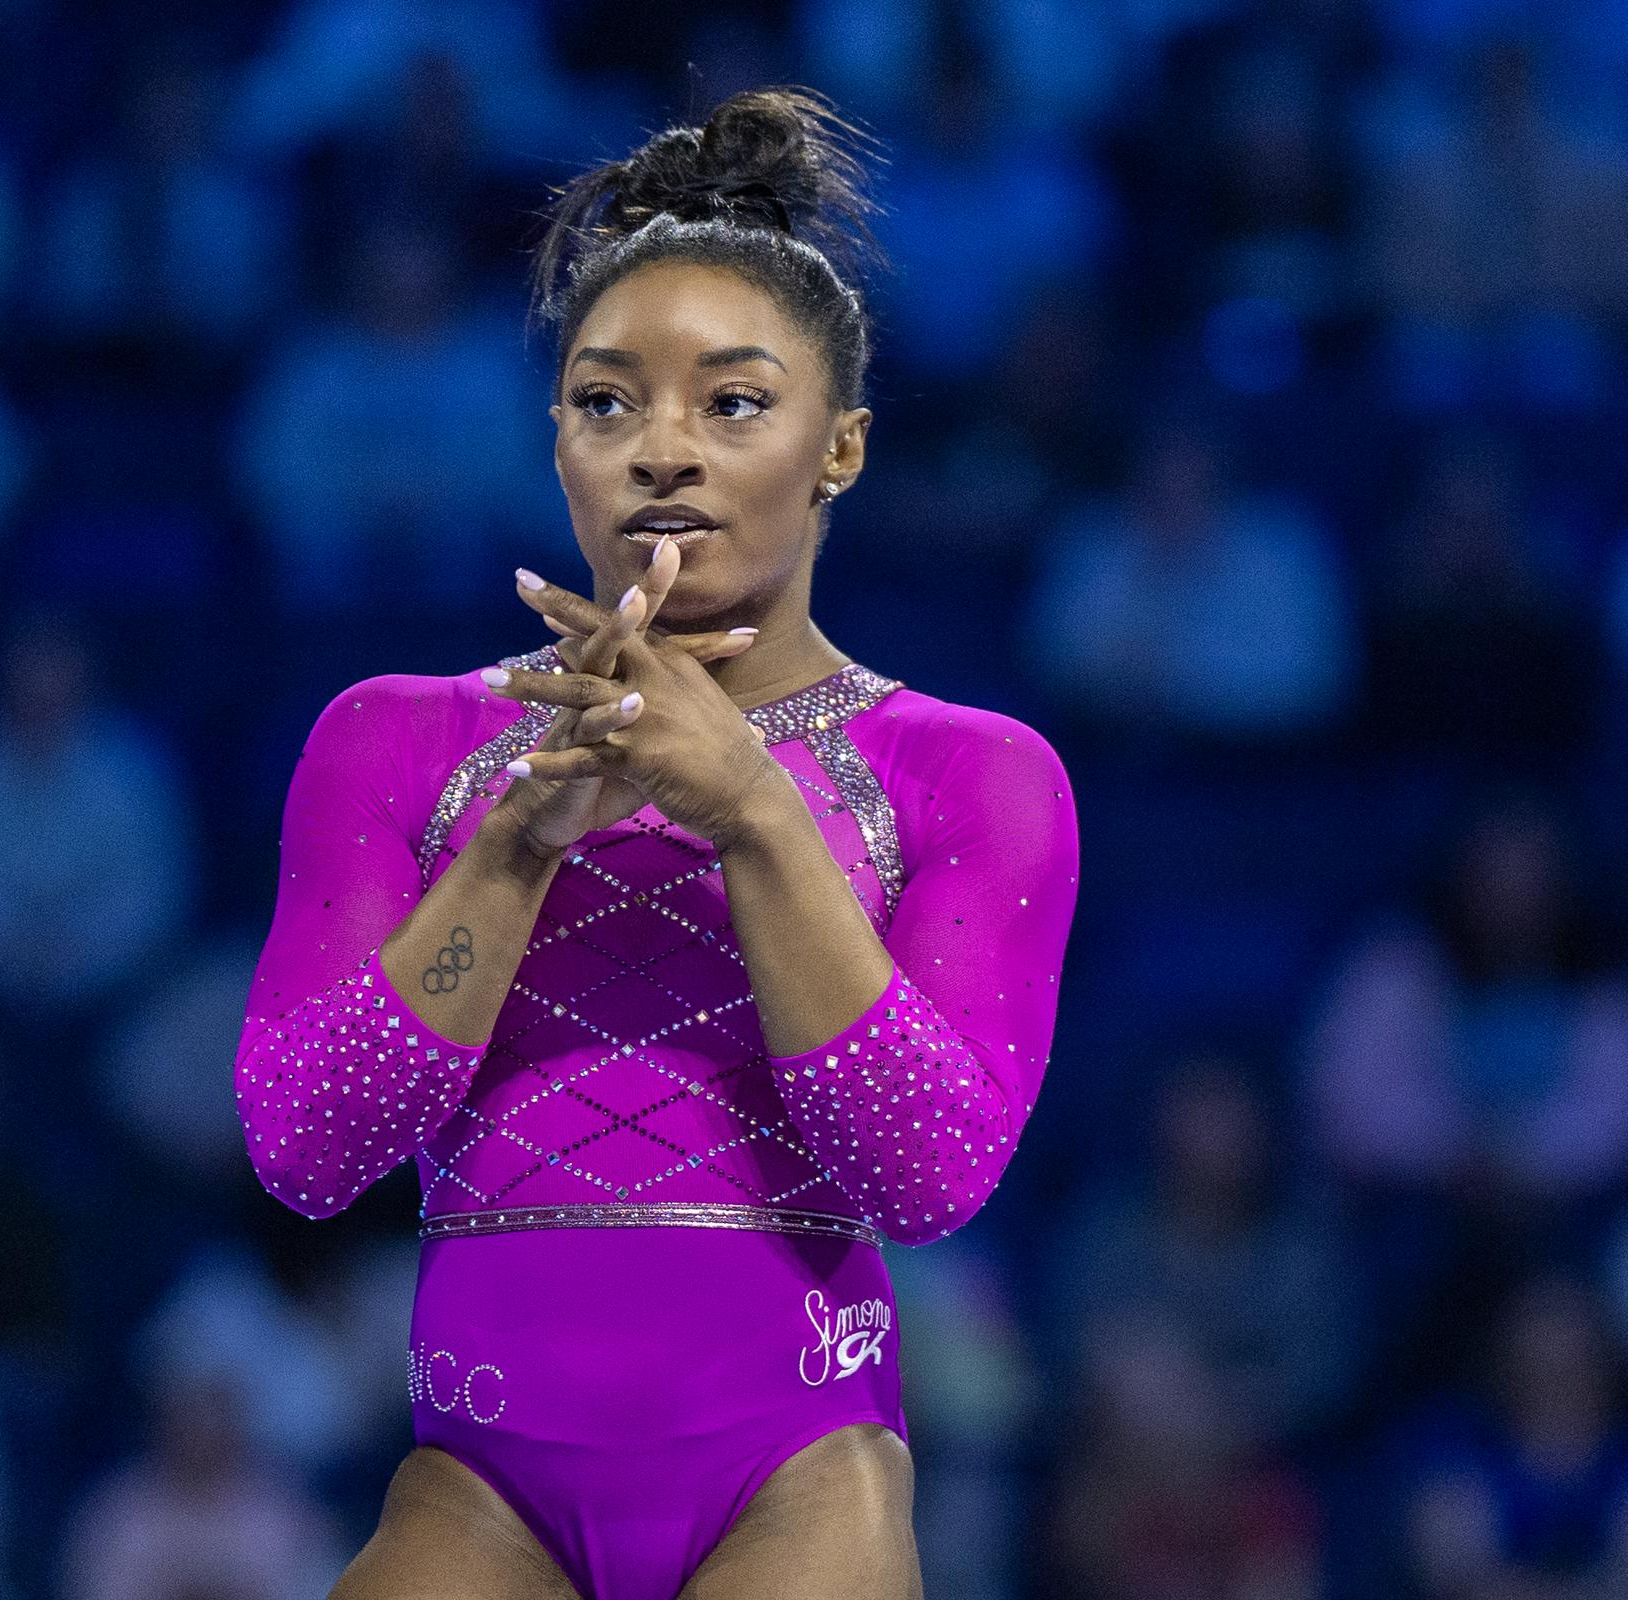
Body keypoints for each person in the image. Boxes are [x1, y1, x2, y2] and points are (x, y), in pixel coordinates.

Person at [233, 87, 1079, 1598]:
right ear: (555, 439)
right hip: (481, 1486)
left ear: (844, 448)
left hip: (801, 1472)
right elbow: (308, 1150)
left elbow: (928, 1173)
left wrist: (753, 808)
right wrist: (512, 846)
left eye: (732, 403)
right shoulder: (398, 740)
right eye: (606, 400)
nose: (660, 453)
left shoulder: (967, 774)